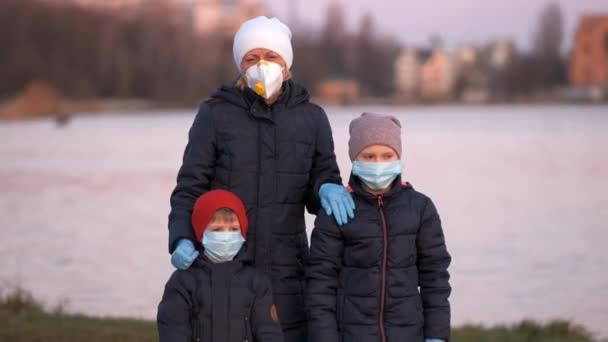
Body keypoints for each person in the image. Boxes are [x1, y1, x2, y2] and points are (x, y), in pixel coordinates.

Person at [167, 16, 355, 342]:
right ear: (241, 65)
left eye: (271, 57)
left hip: (289, 274)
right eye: (252, 58)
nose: (262, 66)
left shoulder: (312, 118)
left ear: (286, 63)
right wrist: (181, 236)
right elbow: (190, 188)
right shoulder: (215, 114)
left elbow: (322, 182)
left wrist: (327, 187)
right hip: (222, 272)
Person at [306, 113, 452, 342]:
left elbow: (436, 279)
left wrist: (437, 335)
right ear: (354, 160)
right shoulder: (336, 211)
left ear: (398, 157)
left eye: (387, 155)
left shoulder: (421, 208)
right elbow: (319, 285)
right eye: (369, 156)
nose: (378, 164)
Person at [158, 189, 284, 342]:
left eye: (233, 229)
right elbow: (174, 331)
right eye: (217, 229)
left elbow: (268, 332)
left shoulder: (257, 282)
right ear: (201, 233)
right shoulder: (183, 282)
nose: (226, 237)